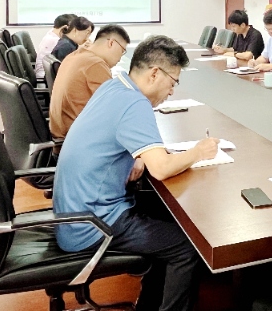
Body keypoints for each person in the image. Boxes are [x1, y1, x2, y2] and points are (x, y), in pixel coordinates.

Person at [54, 36, 219, 311]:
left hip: (73, 212)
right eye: (173, 82)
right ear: (154, 74)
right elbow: (161, 168)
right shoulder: (135, 103)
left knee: (163, 214)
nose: (171, 92)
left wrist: (137, 155)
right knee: (187, 248)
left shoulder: (115, 85)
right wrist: (198, 152)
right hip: (92, 224)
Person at [48, 24, 130, 138]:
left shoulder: (74, 56)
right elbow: (114, 110)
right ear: (111, 43)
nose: (120, 58)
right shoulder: (95, 64)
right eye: (122, 51)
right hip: (77, 139)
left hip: (62, 133)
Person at [36, 13, 76, 79]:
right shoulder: (57, 41)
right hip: (46, 76)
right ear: (66, 28)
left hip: (48, 74)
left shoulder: (51, 33)